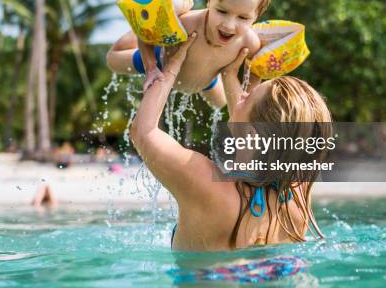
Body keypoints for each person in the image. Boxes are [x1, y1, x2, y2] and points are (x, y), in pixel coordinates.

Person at [129, 33, 332, 251]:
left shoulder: (204, 182)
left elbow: (144, 132)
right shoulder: (297, 194)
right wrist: (229, 75)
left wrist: (169, 67)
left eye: (249, 96)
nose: (242, 95)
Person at [107, 0, 272, 108]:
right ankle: (132, 33)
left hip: (206, 81)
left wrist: (248, 94)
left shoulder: (250, 43)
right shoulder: (186, 24)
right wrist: (151, 68)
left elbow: (255, 72)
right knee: (112, 61)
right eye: (222, 11)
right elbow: (147, 33)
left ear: (257, 15)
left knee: (219, 103)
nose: (229, 25)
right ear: (209, 0)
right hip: (161, 61)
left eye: (243, 18)